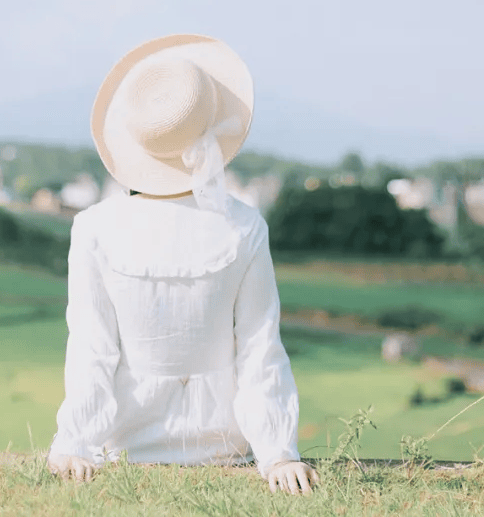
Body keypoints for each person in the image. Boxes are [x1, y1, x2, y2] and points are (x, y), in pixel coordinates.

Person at [46, 34, 318, 495]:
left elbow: (92, 348)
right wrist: (276, 451)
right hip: (223, 445)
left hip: (124, 443)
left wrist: (76, 441)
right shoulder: (244, 226)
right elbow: (259, 349)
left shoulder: (93, 228)